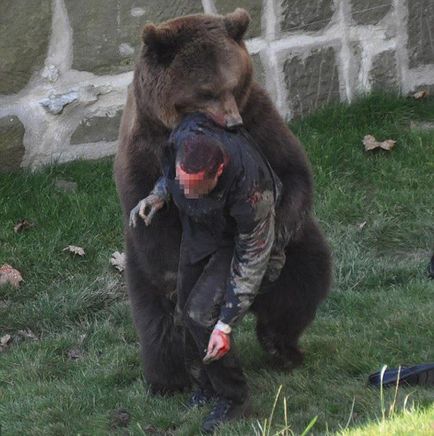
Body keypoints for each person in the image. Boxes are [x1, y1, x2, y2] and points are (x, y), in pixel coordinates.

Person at [129, 112, 283, 433]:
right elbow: (171, 176)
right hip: (201, 229)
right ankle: (208, 385)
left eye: (194, 187)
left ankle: (234, 395)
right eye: (182, 184)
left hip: (237, 241)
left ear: (219, 171)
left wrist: (225, 324)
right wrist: (159, 195)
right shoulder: (185, 139)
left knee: (204, 316)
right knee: (186, 309)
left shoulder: (253, 189)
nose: (184, 192)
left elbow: (252, 260)